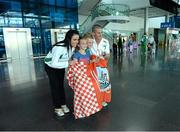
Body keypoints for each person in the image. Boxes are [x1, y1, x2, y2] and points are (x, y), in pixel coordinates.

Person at [44, 29, 79, 117]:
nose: (76, 41)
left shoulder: (72, 47)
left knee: (60, 85)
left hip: (61, 66)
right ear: (68, 39)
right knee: (55, 86)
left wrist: (70, 62)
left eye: (77, 39)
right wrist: (68, 63)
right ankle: (57, 107)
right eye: (74, 39)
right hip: (50, 67)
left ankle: (63, 104)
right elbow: (54, 63)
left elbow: (66, 58)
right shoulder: (59, 47)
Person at [91, 24, 111, 107]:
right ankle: (94, 99)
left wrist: (103, 58)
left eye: (101, 32)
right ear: (93, 33)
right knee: (94, 84)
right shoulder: (90, 41)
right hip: (92, 65)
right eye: (98, 33)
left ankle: (103, 99)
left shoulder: (105, 42)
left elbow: (108, 55)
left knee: (104, 83)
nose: (100, 34)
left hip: (102, 65)